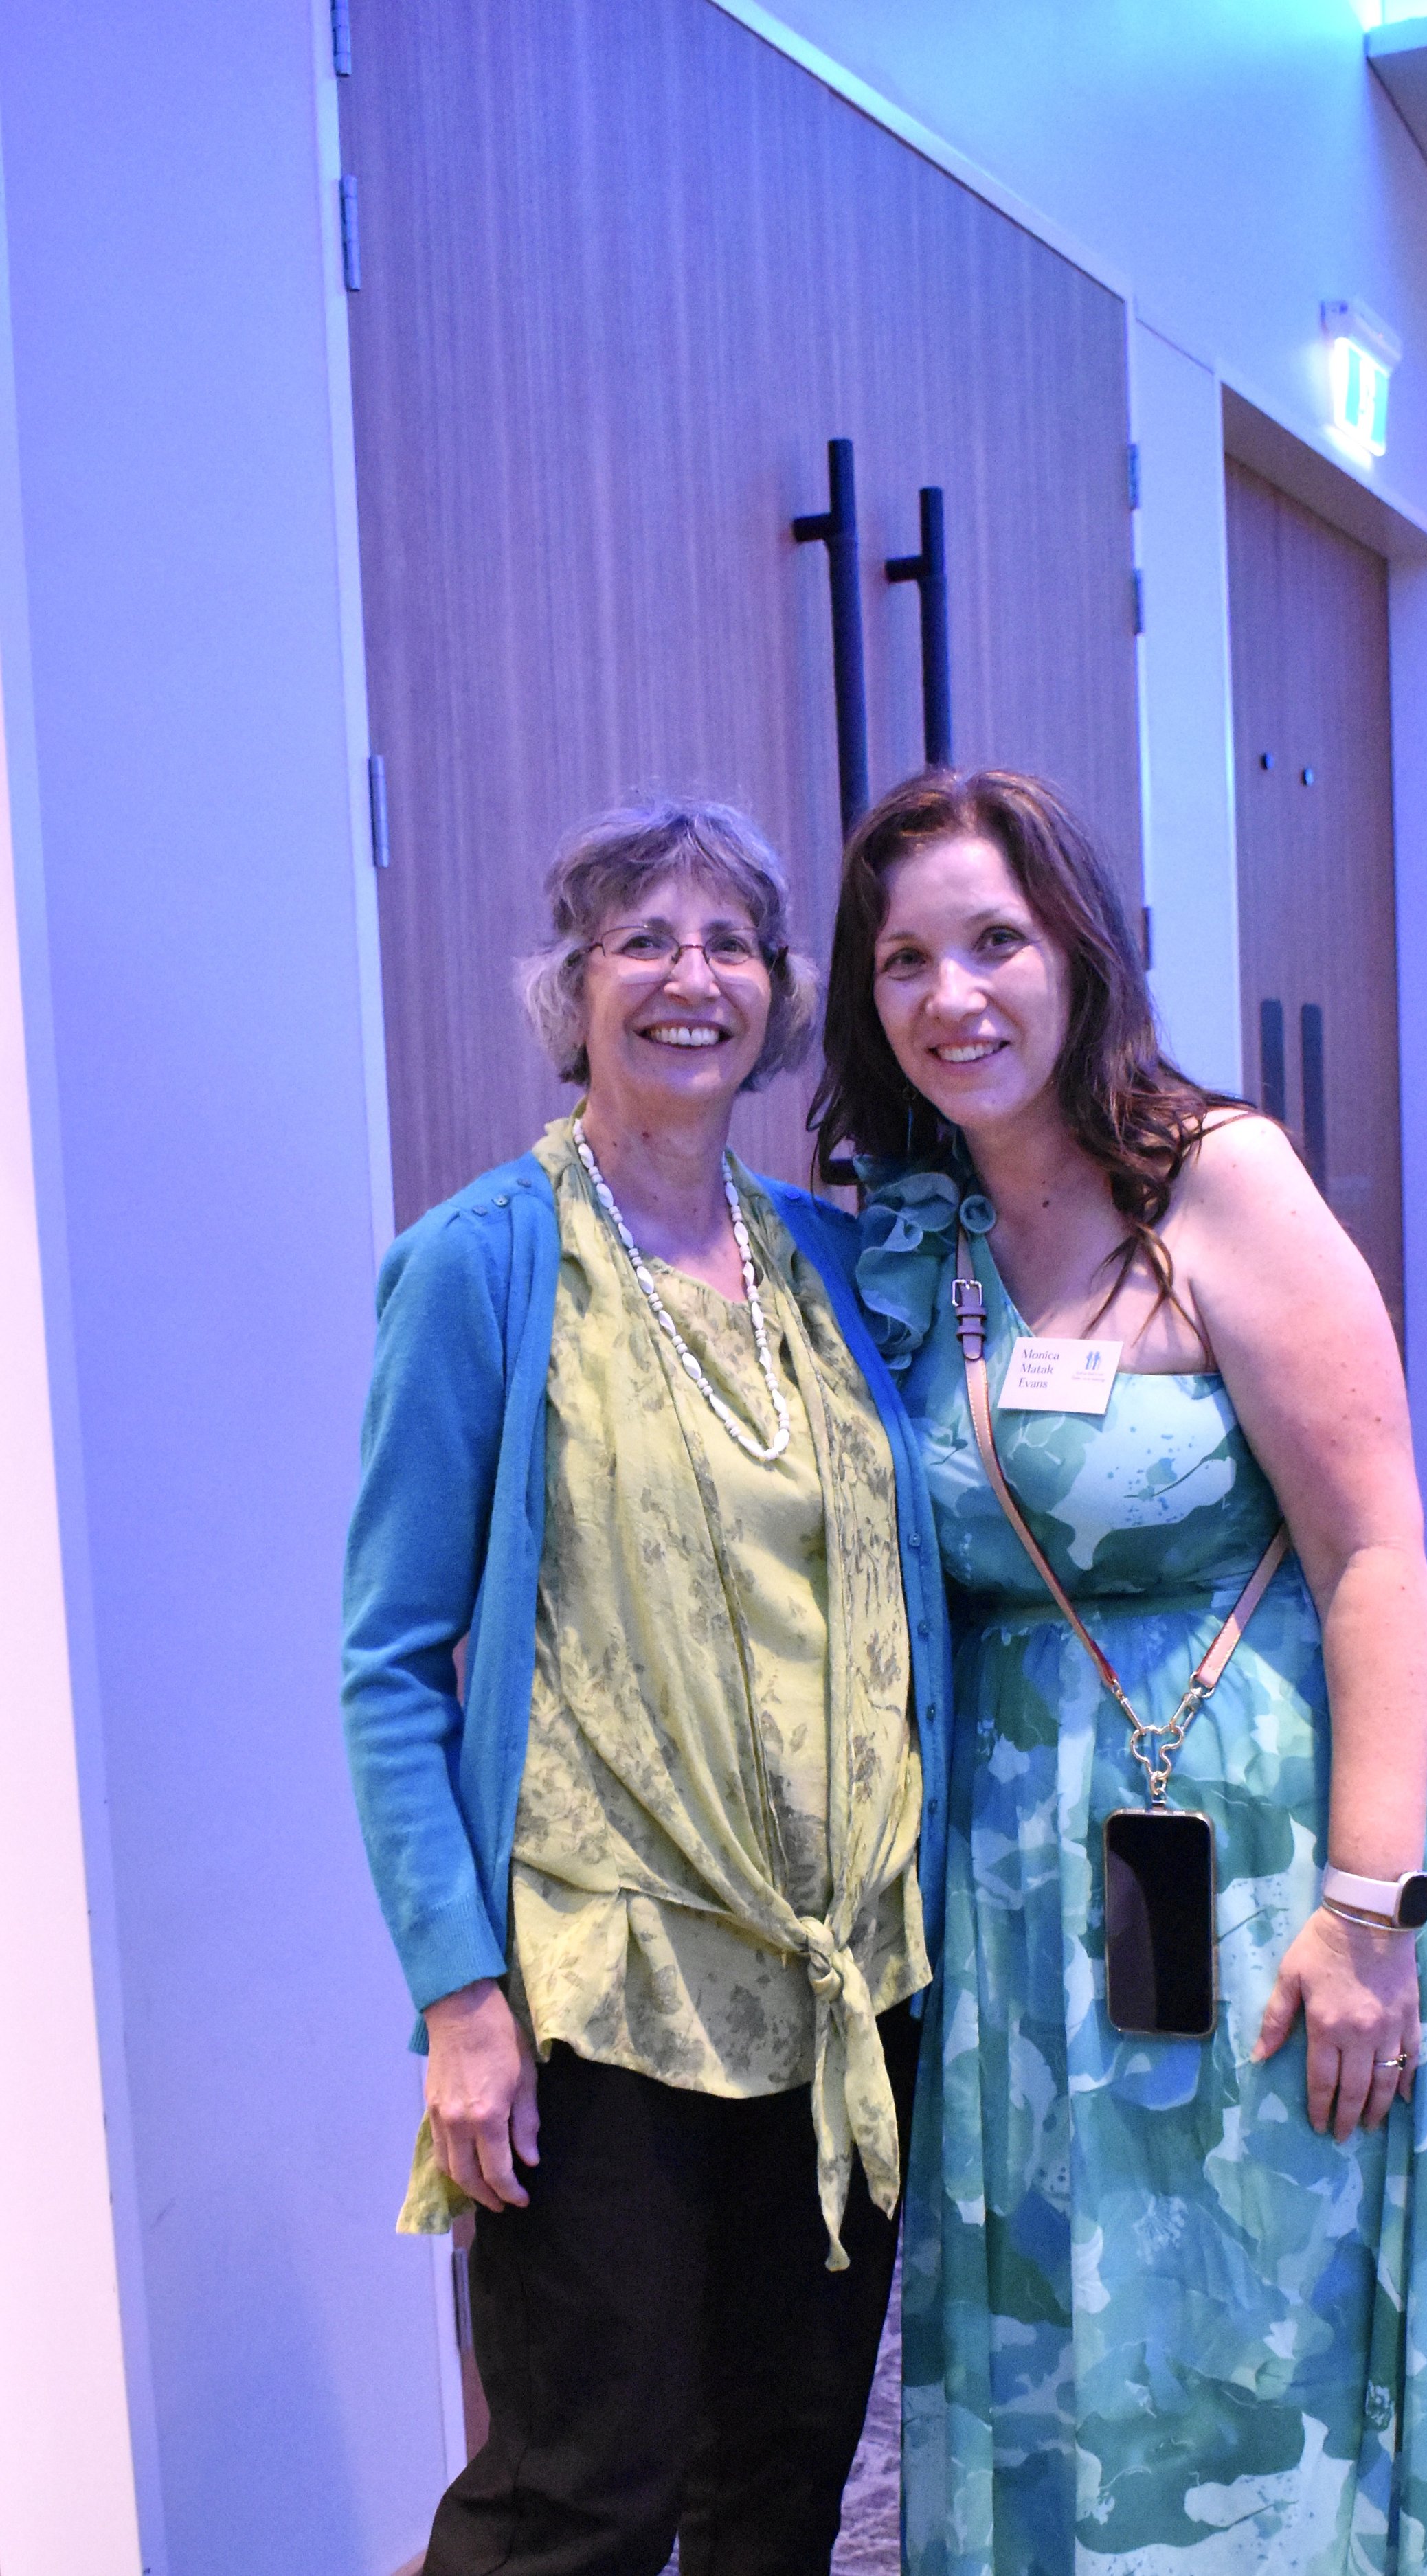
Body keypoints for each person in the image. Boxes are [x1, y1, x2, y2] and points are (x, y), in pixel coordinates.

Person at [813, 769, 1427, 2575]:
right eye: (901, 961)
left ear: (1081, 952)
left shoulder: (1216, 1178)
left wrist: (1365, 1917)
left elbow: (1374, 1555)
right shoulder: (916, 1235)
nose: (950, 995)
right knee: (1064, 2342)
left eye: (993, 941)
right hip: (1025, 1899)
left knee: (1251, 2324)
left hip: (1262, 1846)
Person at [341, 799, 952, 2576]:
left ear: (774, 991)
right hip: (600, 1993)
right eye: (643, 942)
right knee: (575, 2498)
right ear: (574, 991)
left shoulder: (832, 1265)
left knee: (778, 2478)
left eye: (730, 945)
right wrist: (460, 2001)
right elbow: (389, 1661)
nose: (692, 979)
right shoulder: (478, 1265)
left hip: (844, 1984)